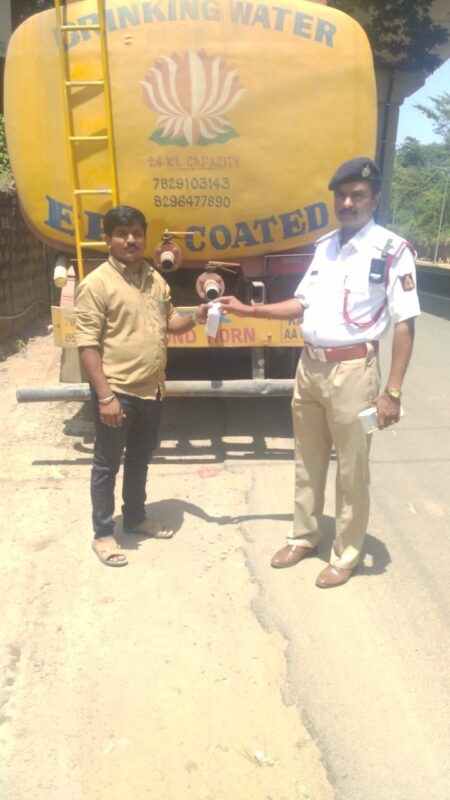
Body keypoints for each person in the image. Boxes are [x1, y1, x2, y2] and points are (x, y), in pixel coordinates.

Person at [219, 157, 421, 588]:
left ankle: (346, 554)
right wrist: (249, 310)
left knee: (351, 470)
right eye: (341, 196)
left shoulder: (392, 251)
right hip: (309, 366)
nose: (348, 203)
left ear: (375, 199)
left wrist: (392, 392)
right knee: (307, 462)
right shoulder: (325, 247)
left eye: (358, 195)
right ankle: (304, 536)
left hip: (353, 371)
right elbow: (302, 303)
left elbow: (405, 323)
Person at [75, 205, 209, 567]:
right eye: (122, 234)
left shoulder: (154, 278)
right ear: (107, 239)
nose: (131, 240)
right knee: (107, 465)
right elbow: (87, 345)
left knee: (139, 459)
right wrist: (105, 397)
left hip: (152, 389)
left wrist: (196, 317)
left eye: (136, 232)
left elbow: (169, 322)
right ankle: (103, 534)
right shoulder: (97, 284)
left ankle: (134, 517)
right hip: (117, 391)